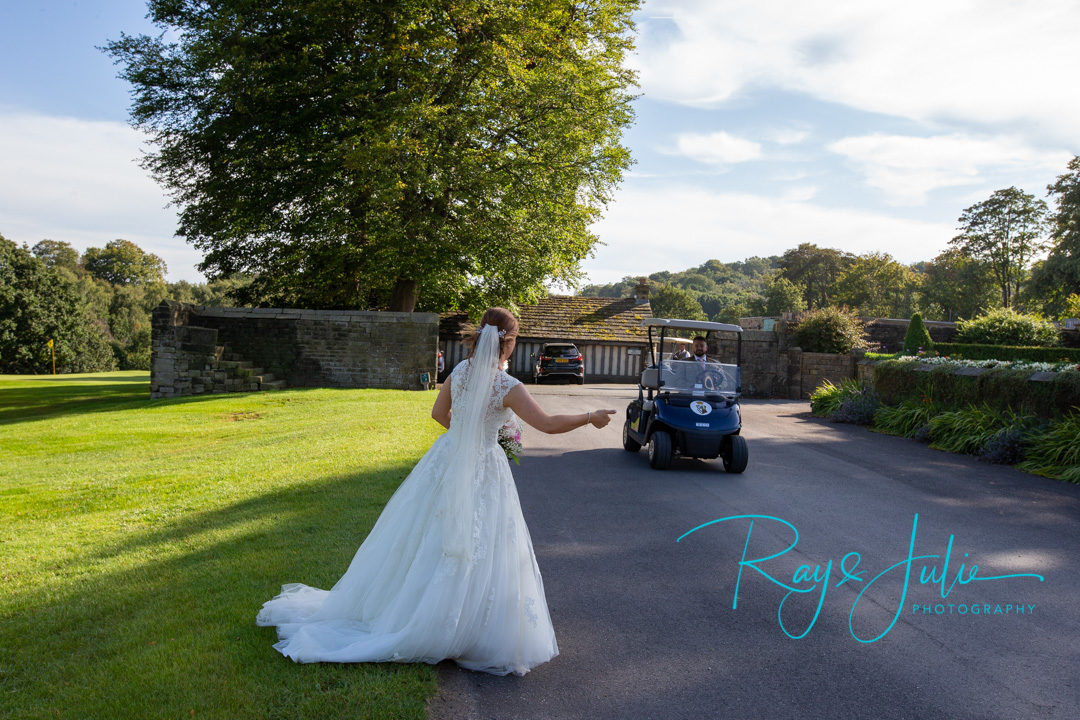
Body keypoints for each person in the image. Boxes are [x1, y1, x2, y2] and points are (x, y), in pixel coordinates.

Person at [255, 307, 616, 676]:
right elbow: (548, 423)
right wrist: (590, 417)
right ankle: (457, 624)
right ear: (507, 343)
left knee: (429, 533)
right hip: (483, 468)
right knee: (477, 540)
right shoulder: (508, 387)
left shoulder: (459, 371)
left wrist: (465, 435)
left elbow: (438, 414)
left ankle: (409, 608)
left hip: (445, 458)